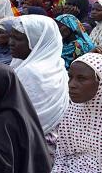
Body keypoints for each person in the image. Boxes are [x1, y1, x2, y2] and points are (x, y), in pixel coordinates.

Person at [9, 15, 70, 147]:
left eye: (18, 39)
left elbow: (15, 114)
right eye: (11, 37)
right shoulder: (57, 63)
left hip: (33, 142)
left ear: (37, 42)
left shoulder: (31, 71)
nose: (10, 42)